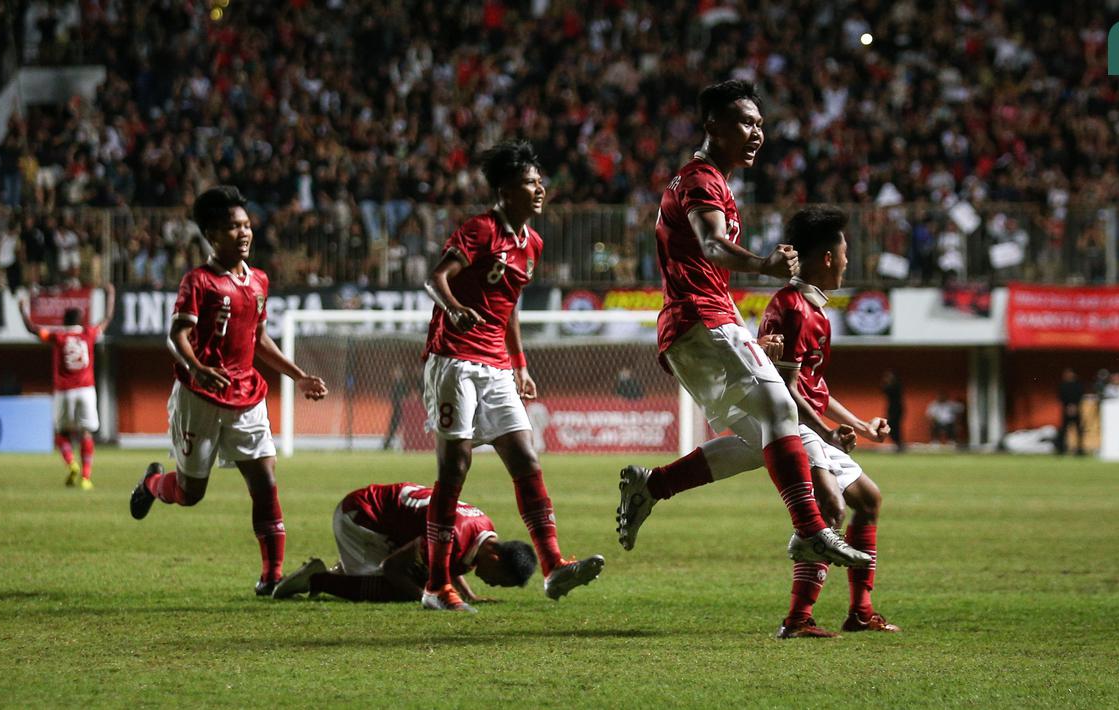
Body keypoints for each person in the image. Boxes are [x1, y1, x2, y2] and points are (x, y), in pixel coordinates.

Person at [615, 81, 871, 571]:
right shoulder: (701, 179)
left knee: (765, 442)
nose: (757, 133)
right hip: (700, 316)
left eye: (760, 124)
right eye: (746, 123)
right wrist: (765, 264)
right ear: (713, 125)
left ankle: (652, 485)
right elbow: (713, 246)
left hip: (697, 324)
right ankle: (812, 530)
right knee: (780, 407)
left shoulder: (712, 183)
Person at [420, 140, 605, 613]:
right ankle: (436, 585)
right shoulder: (480, 229)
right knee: (454, 468)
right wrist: (456, 309)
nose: (540, 188)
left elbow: (509, 308)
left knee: (526, 459)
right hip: (454, 359)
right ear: (505, 189)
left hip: (496, 365)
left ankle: (553, 565)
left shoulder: (533, 244)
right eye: (530, 182)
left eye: (541, 181)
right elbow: (435, 279)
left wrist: (520, 365)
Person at [128, 185, 329, 596]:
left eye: (247, 225)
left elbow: (258, 338)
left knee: (266, 480)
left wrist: (299, 376)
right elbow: (175, 334)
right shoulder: (198, 281)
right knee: (190, 493)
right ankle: (153, 484)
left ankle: (272, 576)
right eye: (234, 227)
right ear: (212, 235)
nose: (244, 233)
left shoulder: (258, 281)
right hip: (198, 397)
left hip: (246, 395)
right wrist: (198, 369)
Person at [757, 205, 899, 637]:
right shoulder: (793, 308)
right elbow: (788, 390)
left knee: (868, 500)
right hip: (794, 422)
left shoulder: (815, 309)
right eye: (844, 254)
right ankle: (798, 620)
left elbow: (815, 386)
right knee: (830, 509)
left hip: (811, 419)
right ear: (826, 259)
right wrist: (825, 431)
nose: (847, 262)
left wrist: (860, 425)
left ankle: (860, 612)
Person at [271, 482, 538, 602]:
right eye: (499, 580)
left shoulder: (483, 528)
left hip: (372, 514)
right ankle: (317, 579)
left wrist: (468, 595)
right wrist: (425, 598)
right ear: (496, 558)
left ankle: (345, 570)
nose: (493, 584)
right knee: (399, 588)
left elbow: (448, 563)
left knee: (427, 577)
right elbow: (393, 568)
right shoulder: (457, 536)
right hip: (360, 517)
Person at [19, 282, 116, 489]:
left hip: (64, 391)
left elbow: (31, 329)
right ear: (80, 320)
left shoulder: (58, 336)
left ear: (64, 321)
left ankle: (72, 463)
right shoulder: (89, 333)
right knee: (86, 433)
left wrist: (22, 310)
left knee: (61, 433)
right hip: (87, 390)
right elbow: (107, 319)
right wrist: (111, 295)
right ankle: (86, 477)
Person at [1056, 368, 1084, 456]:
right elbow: (1061, 396)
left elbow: (1080, 395)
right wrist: (1068, 406)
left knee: (1079, 430)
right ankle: (1062, 449)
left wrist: (1075, 406)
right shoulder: (1063, 385)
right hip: (1066, 410)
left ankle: (1080, 449)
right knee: (1063, 430)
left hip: (1076, 409)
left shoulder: (1078, 385)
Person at [881, 370, 905, 452]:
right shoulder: (892, 386)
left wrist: (887, 382)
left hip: (897, 409)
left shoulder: (896, 386)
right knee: (891, 427)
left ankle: (899, 445)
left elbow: (886, 390)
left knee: (895, 428)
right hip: (892, 409)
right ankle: (899, 444)